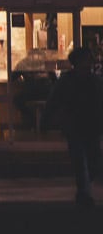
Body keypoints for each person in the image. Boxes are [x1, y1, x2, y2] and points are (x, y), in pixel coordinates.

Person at [44, 47, 103, 207]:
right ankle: (84, 191)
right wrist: (48, 118)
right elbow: (54, 100)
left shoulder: (94, 80)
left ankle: (84, 188)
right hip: (76, 125)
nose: (89, 63)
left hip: (90, 125)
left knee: (93, 160)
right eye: (86, 60)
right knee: (81, 159)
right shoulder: (69, 81)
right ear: (77, 63)